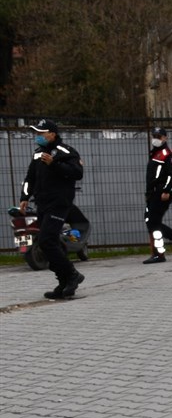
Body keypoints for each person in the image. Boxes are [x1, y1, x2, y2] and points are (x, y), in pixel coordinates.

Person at [22, 118, 85, 299]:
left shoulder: (65, 151)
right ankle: (64, 282)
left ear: (52, 134)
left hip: (59, 203)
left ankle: (72, 275)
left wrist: (54, 164)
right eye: (37, 133)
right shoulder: (37, 154)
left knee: (46, 240)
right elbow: (30, 178)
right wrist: (24, 197)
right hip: (42, 203)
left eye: (42, 133)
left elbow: (77, 173)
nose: (38, 136)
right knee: (50, 243)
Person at [143, 126, 172, 264]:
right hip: (152, 192)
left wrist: (167, 190)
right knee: (150, 222)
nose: (156, 139)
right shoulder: (155, 153)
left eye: (159, 137)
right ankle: (169, 246)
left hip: (161, 192)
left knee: (153, 222)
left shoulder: (167, 154)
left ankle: (170, 246)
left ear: (165, 138)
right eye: (154, 136)